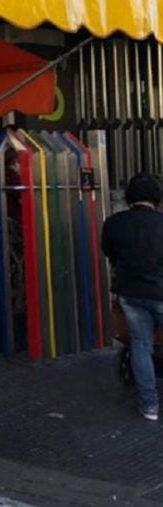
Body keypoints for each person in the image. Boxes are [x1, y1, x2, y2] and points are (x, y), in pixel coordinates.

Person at [102, 173, 163, 420]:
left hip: (130, 292)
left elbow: (110, 253)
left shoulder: (114, 223)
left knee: (140, 345)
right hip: (160, 291)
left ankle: (149, 406)